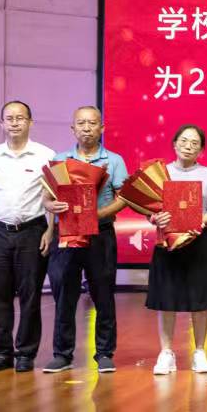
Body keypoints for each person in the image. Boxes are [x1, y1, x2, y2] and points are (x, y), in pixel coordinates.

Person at [40, 106, 128, 373]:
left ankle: (104, 353)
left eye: (92, 123)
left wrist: (97, 214)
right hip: (67, 233)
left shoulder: (114, 160)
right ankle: (62, 354)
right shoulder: (60, 160)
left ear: (102, 128)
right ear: (73, 129)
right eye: (81, 123)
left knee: (103, 294)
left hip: (100, 234)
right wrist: (51, 206)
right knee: (64, 294)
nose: (87, 128)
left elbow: (124, 198)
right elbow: (47, 197)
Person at [0, 100, 56, 373]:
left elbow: (53, 197)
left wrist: (50, 230)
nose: (15, 123)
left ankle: (26, 353)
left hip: (33, 231)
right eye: (10, 118)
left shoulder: (46, 155)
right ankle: (2, 353)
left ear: (30, 122)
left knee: (30, 295)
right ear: (2, 124)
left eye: (20, 118)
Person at [146, 125, 207, 375]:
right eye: (183, 141)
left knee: (200, 300)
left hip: (198, 241)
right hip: (167, 242)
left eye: (194, 143)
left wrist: (199, 220)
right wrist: (154, 218)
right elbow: (150, 209)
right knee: (166, 298)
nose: (188, 146)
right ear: (174, 144)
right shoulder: (162, 173)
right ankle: (166, 353)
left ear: (201, 149)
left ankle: (199, 352)